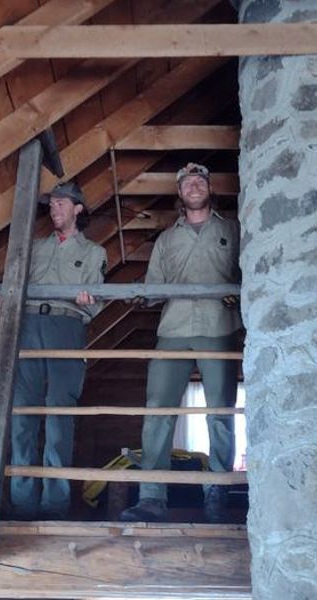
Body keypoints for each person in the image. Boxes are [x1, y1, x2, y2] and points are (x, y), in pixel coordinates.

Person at [120, 162, 241, 523]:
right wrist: (141, 295)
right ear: (179, 192)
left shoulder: (232, 230)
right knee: (158, 409)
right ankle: (152, 495)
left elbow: (247, 275)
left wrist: (238, 295)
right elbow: (155, 288)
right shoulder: (166, 240)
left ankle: (217, 493)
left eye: (199, 181)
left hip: (219, 327)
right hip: (172, 329)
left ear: (209, 188)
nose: (194, 187)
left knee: (220, 411)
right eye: (187, 182)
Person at [0, 181, 107, 520]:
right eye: (52, 205)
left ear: (78, 209)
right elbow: (12, 286)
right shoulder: (32, 248)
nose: (55, 210)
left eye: (62, 204)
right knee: (22, 416)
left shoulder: (94, 253)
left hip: (67, 327)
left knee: (59, 419)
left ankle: (55, 505)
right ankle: (21, 503)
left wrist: (87, 301)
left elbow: (99, 302)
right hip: (28, 327)